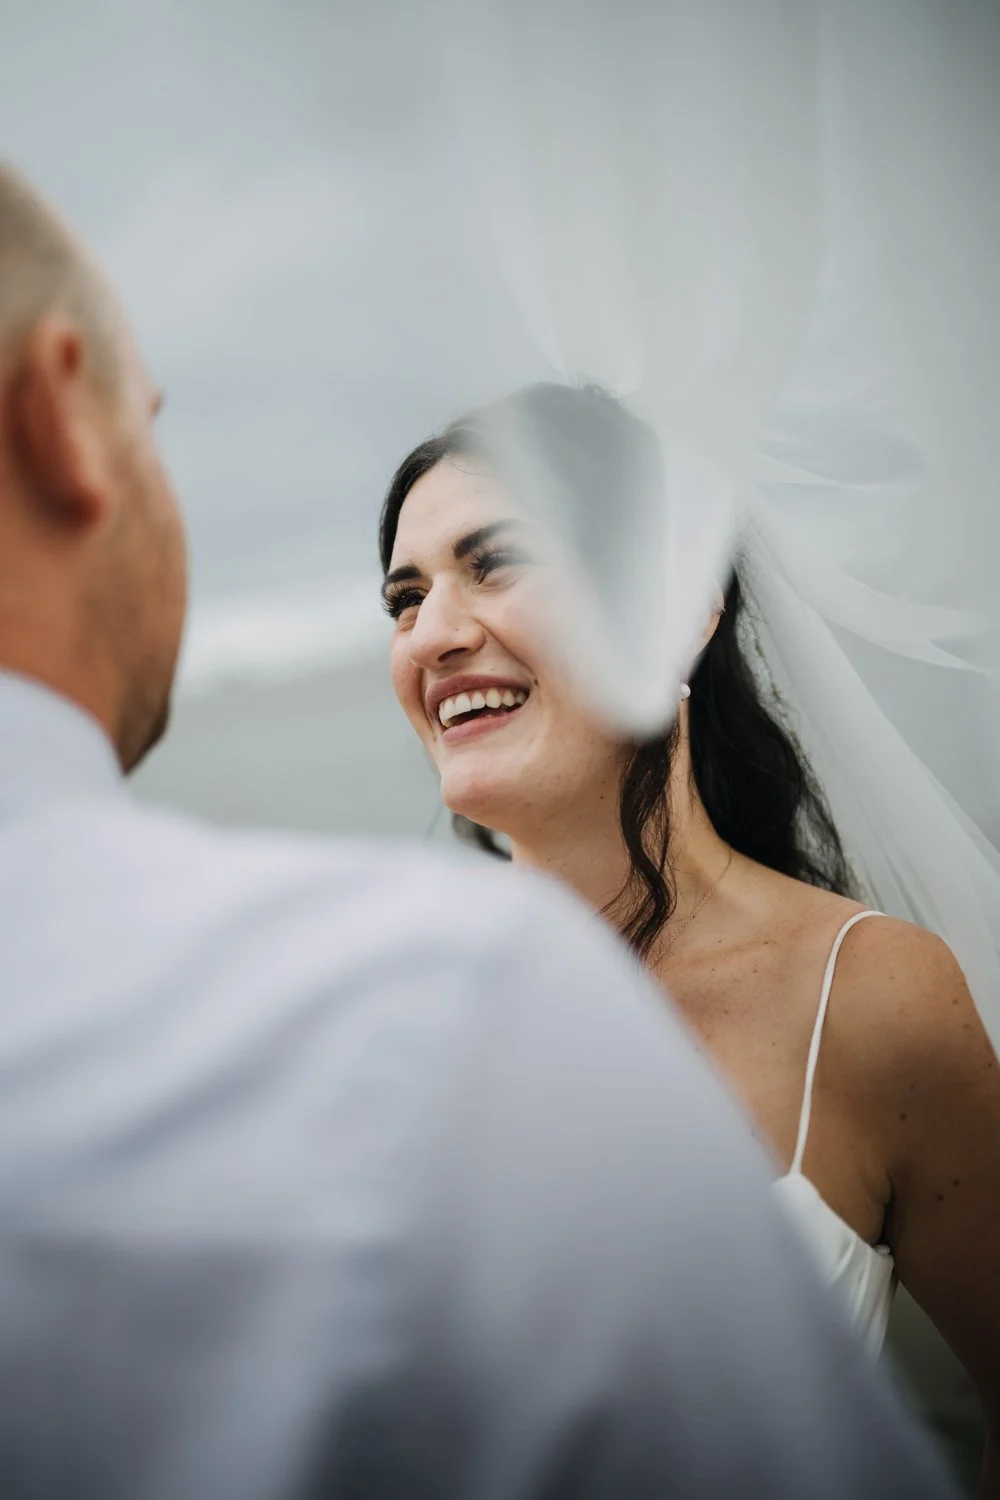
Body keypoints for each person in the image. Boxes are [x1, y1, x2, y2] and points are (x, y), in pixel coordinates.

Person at [380, 382, 1000, 1478]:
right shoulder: (388, 1012)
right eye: (405, 596)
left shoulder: (868, 1002)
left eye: (495, 561)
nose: (432, 633)